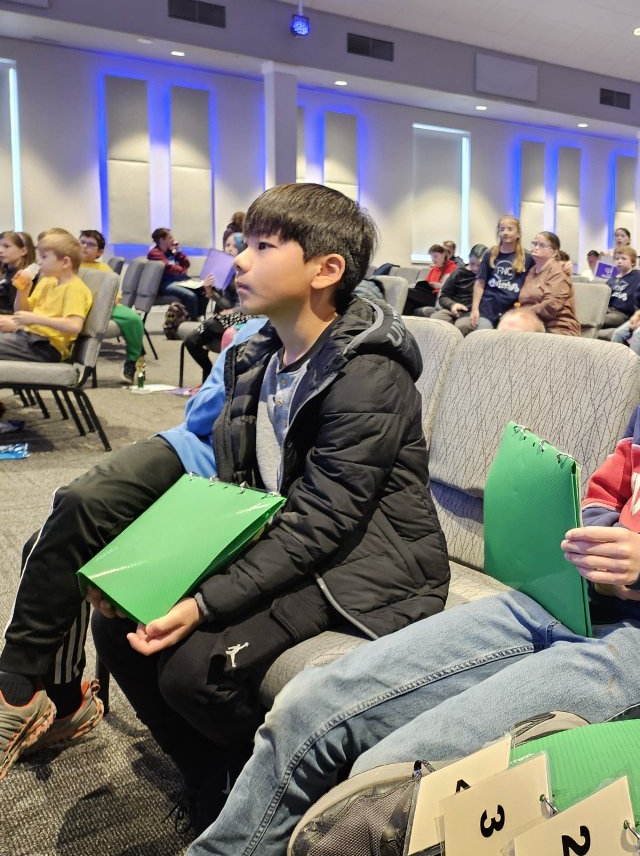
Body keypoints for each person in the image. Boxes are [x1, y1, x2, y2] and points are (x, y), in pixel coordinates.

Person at [187, 212, 640, 856]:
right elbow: (604, 497)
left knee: (392, 771)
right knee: (312, 703)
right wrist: (598, 542)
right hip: (566, 601)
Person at [85, 183, 450, 828]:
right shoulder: (256, 357)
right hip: (287, 541)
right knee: (119, 622)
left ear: (325, 270)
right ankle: (215, 781)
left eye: (262, 246)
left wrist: (202, 602)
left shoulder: (369, 372)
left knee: (194, 674)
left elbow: (325, 520)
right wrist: (154, 568)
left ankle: (273, 797)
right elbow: (240, 488)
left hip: (367, 566)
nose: (239, 260)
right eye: (243, 245)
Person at [0, 317, 268, 785]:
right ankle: (52, 697)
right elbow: (199, 417)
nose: (239, 275)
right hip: (191, 450)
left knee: (69, 544)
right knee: (62, 525)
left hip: (236, 482)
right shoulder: (255, 330)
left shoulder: (327, 337)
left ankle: (33, 693)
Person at [0, 230, 92, 362]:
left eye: (44, 257)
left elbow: (74, 325)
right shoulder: (48, 281)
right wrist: (22, 291)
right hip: (28, 337)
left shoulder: (75, 289)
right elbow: (21, 312)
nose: (39, 262)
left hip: (47, 347)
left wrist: (35, 319)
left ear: (65, 262)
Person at [180, 231, 251, 383]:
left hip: (247, 316)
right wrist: (210, 293)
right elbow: (227, 305)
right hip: (229, 317)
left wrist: (232, 311)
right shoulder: (227, 271)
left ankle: (213, 379)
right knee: (191, 341)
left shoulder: (249, 271)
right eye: (227, 245)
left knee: (211, 324)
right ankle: (208, 372)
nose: (229, 249)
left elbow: (249, 304)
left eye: (234, 246)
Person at [79, 229, 149, 382]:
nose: (84, 246)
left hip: (102, 308)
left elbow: (114, 296)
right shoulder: (70, 266)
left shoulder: (104, 270)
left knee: (133, 319)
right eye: (82, 242)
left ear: (100, 252)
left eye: (90, 244)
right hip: (78, 308)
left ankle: (133, 359)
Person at [469, 215, 528, 334]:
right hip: (488, 308)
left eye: (510, 229)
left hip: (512, 310)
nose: (505, 232)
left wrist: (564, 264)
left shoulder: (527, 257)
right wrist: (474, 309)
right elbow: (480, 282)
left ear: (518, 233)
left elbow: (545, 265)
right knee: (482, 336)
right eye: (502, 229)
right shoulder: (489, 254)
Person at [517, 230, 579, 336]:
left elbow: (552, 305)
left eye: (542, 245)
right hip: (532, 324)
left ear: (555, 252)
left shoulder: (558, 271)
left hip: (558, 328)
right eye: (534, 244)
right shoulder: (532, 270)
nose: (536, 248)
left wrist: (523, 313)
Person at [148, 227, 203, 320]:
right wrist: (182, 270)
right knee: (191, 296)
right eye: (170, 237)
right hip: (165, 284)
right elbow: (169, 267)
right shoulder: (154, 253)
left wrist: (178, 250)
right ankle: (192, 322)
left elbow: (186, 264)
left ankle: (198, 316)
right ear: (162, 240)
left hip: (179, 281)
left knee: (202, 290)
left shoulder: (171, 252)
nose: (173, 240)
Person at [429, 244, 485, 327]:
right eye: (472, 263)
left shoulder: (489, 276)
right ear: (468, 259)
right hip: (453, 309)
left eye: (480, 265)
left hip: (472, 312)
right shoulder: (458, 273)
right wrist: (453, 305)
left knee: (462, 325)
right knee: (434, 320)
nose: (475, 268)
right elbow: (443, 296)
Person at [600, 245, 640, 334]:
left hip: (622, 314)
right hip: (607, 309)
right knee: (591, 315)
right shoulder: (612, 280)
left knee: (598, 319)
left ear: (633, 262)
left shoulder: (638, 276)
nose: (619, 261)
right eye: (617, 259)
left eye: (624, 259)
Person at [402, 245, 455, 316]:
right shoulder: (434, 269)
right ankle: (405, 321)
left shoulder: (453, 268)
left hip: (438, 298)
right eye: (431, 257)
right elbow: (427, 282)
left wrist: (440, 286)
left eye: (435, 256)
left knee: (406, 291)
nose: (433, 260)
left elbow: (454, 289)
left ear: (443, 255)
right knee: (408, 301)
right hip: (429, 294)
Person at [0, 230, 36, 315]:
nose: (0, 250)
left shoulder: (26, 276)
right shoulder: (5, 273)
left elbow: (15, 310)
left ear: (23, 251)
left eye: (6, 246)